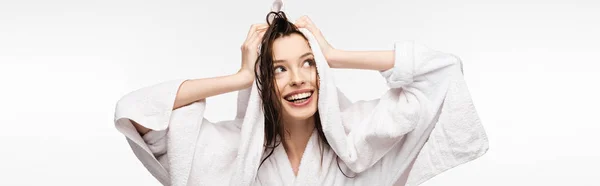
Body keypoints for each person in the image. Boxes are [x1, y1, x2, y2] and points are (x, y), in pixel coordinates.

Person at [114, 11, 488, 185]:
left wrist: (336, 55)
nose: (297, 80)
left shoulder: (359, 137)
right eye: (277, 69)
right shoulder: (234, 152)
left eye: (308, 64)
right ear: (263, 82)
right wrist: (240, 76)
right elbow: (138, 111)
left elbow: (441, 71)